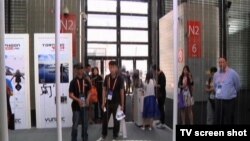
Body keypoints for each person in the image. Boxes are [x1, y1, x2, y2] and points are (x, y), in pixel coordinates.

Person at [100, 61, 125, 140]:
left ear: (116, 68)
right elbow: (104, 90)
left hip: (117, 103)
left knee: (116, 120)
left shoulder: (120, 78)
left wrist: (122, 104)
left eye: (113, 67)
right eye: (110, 67)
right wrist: (103, 101)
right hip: (108, 102)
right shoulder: (107, 77)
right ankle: (104, 134)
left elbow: (122, 92)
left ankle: (115, 135)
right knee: (105, 119)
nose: (111, 69)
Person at [213, 57, 240, 124]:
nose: (220, 64)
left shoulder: (233, 73)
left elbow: (238, 86)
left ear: (226, 62)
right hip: (219, 100)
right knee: (218, 120)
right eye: (219, 62)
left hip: (229, 101)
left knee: (229, 119)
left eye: (222, 62)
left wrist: (230, 93)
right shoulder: (216, 74)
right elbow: (215, 86)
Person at [69, 63, 91, 141]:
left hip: (85, 106)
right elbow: (70, 95)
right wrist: (78, 100)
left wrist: (88, 98)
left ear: (83, 70)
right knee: (75, 125)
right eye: (78, 69)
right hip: (76, 106)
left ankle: (85, 138)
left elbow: (89, 91)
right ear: (76, 70)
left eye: (82, 69)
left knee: (85, 125)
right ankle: (74, 139)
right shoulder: (73, 82)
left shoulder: (86, 80)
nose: (80, 71)